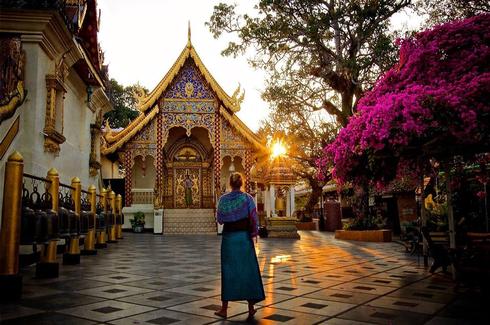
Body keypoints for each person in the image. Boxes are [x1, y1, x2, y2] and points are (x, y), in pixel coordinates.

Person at [215, 172, 265, 319]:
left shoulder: (223, 200)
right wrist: (253, 233)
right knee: (248, 271)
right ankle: (250, 308)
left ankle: (224, 309)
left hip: (229, 239)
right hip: (244, 239)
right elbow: (254, 218)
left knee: (228, 271)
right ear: (241, 183)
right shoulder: (247, 198)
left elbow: (220, 219)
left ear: (230, 184)